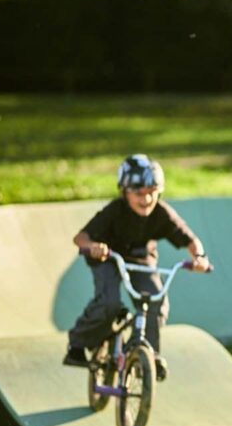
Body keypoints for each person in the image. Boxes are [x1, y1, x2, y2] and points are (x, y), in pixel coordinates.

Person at [63, 154, 211, 379]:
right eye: (139, 193)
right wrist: (93, 247)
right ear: (124, 192)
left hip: (141, 259)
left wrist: (200, 257)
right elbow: (80, 238)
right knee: (109, 303)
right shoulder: (114, 211)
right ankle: (78, 343)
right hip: (108, 258)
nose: (146, 199)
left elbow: (191, 240)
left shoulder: (161, 213)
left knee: (155, 301)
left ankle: (146, 354)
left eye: (152, 191)